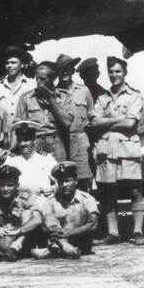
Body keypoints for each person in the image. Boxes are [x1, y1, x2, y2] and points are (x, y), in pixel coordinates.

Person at [90, 56, 144, 244]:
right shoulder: (102, 97)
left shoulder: (135, 95)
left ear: (125, 73)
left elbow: (130, 124)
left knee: (134, 190)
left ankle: (138, 232)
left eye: (118, 71)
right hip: (106, 150)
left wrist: (105, 122)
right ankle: (113, 234)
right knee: (107, 192)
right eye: (111, 72)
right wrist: (119, 118)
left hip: (127, 150)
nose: (114, 75)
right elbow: (94, 123)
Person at [13, 61, 72, 164]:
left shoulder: (64, 96)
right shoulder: (26, 97)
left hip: (57, 143)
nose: (39, 82)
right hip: (35, 143)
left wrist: (50, 98)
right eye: (37, 78)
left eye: (43, 79)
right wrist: (13, 149)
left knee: (57, 171)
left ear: (53, 78)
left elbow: (67, 122)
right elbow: (17, 124)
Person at [40, 162, 98, 259]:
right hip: (57, 237)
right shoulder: (51, 201)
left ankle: (57, 248)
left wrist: (70, 233)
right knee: (49, 217)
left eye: (68, 181)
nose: (64, 185)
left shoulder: (86, 199)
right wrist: (55, 232)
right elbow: (44, 226)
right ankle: (67, 248)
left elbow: (93, 223)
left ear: (76, 181)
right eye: (61, 182)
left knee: (79, 213)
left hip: (81, 241)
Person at [54, 54, 96, 189]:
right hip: (60, 141)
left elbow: (92, 116)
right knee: (62, 179)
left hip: (81, 141)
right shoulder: (53, 93)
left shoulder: (84, 91)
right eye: (61, 70)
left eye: (68, 69)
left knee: (83, 178)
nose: (65, 72)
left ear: (72, 70)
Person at [4, 120, 57, 197]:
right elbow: (4, 185)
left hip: (44, 200)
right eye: (19, 140)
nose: (22, 144)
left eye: (26, 140)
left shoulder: (47, 159)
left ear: (34, 140)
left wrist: (53, 189)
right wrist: (26, 189)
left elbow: (61, 180)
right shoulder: (11, 160)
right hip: (20, 201)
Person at [0, 45, 34, 112]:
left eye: (13, 63)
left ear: (22, 65)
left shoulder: (32, 85)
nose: (9, 66)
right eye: (7, 63)